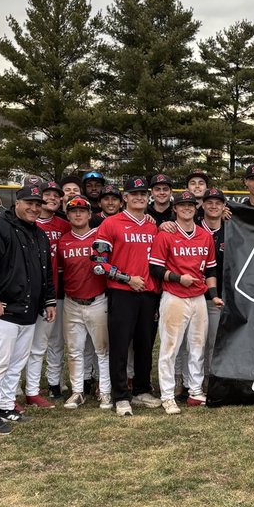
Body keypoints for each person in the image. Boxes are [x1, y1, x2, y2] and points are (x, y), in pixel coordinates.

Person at [0, 182, 57, 435]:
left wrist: (49, 300)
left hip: (27, 310)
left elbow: (45, 273)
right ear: (16, 203)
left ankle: (6, 405)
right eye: (29, 203)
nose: (34, 208)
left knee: (16, 363)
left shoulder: (39, 234)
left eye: (38, 204)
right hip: (1, 309)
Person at [149, 190, 221, 413]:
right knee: (170, 348)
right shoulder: (165, 235)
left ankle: (195, 391)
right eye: (182, 205)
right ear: (175, 209)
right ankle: (168, 395)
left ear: (195, 208)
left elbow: (210, 269)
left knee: (197, 346)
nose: (187, 208)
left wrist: (214, 294)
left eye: (190, 205)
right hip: (174, 296)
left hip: (199, 297)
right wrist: (179, 278)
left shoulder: (204, 236)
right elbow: (156, 268)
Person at [96, 175, 161, 415]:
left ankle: (142, 389)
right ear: (125, 197)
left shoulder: (152, 226)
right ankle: (121, 395)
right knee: (120, 346)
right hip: (122, 292)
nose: (139, 197)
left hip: (148, 293)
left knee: (145, 345)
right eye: (134, 194)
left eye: (143, 194)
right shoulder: (112, 223)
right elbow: (98, 262)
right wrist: (126, 278)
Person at [56, 197, 112, 410]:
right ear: (67, 215)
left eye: (82, 211)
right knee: (74, 350)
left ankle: (105, 391)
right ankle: (77, 391)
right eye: (73, 211)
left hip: (97, 300)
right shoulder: (63, 241)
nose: (78, 215)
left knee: (102, 349)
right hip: (72, 302)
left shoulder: (100, 237)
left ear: (90, 214)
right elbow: (61, 272)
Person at [23, 181, 70, 407]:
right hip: (28, 292)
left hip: (57, 290)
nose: (51, 197)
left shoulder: (64, 225)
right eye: (46, 194)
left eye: (55, 194)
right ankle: (23, 387)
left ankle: (53, 383)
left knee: (54, 341)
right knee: (25, 343)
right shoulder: (26, 225)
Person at [198, 188, 228, 384]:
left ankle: (211, 380)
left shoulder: (232, 230)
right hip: (194, 296)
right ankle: (187, 381)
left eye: (218, 202)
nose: (214, 205)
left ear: (224, 206)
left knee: (215, 342)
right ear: (202, 205)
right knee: (193, 344)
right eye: (209, 202)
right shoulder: (193, 229)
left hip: (220, 298)